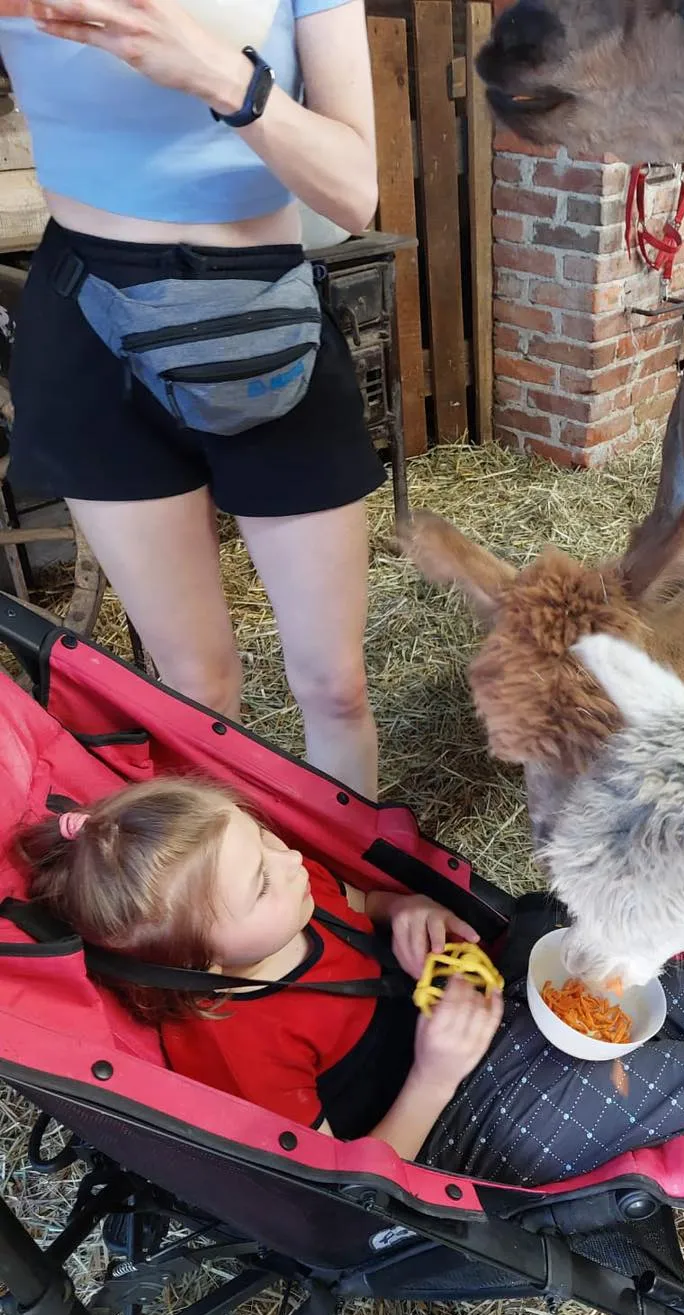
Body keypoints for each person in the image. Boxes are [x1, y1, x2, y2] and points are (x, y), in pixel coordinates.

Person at [18, 779, 684, 1186]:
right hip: (450, 1119)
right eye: (260, 872)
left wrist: (405, 915)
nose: (292, 863)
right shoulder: (233, 1036)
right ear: (208, 969)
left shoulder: (298, 899)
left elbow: (360, 900)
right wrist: (434, 1076)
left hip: (461, 1015)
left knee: (674, 982)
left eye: (264, 837)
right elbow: (343, 1186)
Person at [0, 0, 384, 794]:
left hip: (271, 326)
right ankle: (233, 908)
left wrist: (216, 72)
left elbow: (353, 195)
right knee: (195, 689)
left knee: (334, 686)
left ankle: (357, 889)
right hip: (92, 321)